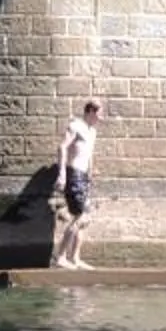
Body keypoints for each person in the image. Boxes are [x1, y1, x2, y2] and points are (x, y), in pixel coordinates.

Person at [52, 100, 101, 270]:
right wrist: (62, 174)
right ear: (90, 112)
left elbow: (90, 154)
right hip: (73, 174)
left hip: (83, 176)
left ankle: (75, 258)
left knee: (85, 219)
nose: (101, 117)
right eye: (99, 113)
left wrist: (91, 172)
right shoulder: (76, 126)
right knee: (80, 216)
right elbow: (62, 147)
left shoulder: (92, 131)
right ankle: (60, 257)